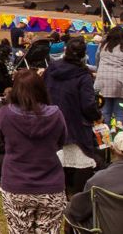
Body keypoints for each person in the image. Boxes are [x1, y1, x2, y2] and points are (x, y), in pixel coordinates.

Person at [0, 69, 68, 234]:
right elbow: (61, 141)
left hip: (16, 185)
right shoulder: (56, 115)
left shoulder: (4, 114)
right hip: (51, 185)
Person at [44, 37, 102, 194]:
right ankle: (76, 195)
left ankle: (61, 191)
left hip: (52, 120)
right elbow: (88, 104)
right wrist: (97, 115)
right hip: (75, 124)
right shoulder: (83, 76)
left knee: (59, 158)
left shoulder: (52, 69)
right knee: (81, 161)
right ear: (84, 55)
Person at [96, 26, 123, 129]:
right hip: (121, 83)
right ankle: (120, 139)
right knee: (120, 113)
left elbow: (98, 63)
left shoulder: (102, 47)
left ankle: (104, 140)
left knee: (105, 112)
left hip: (102, 81)